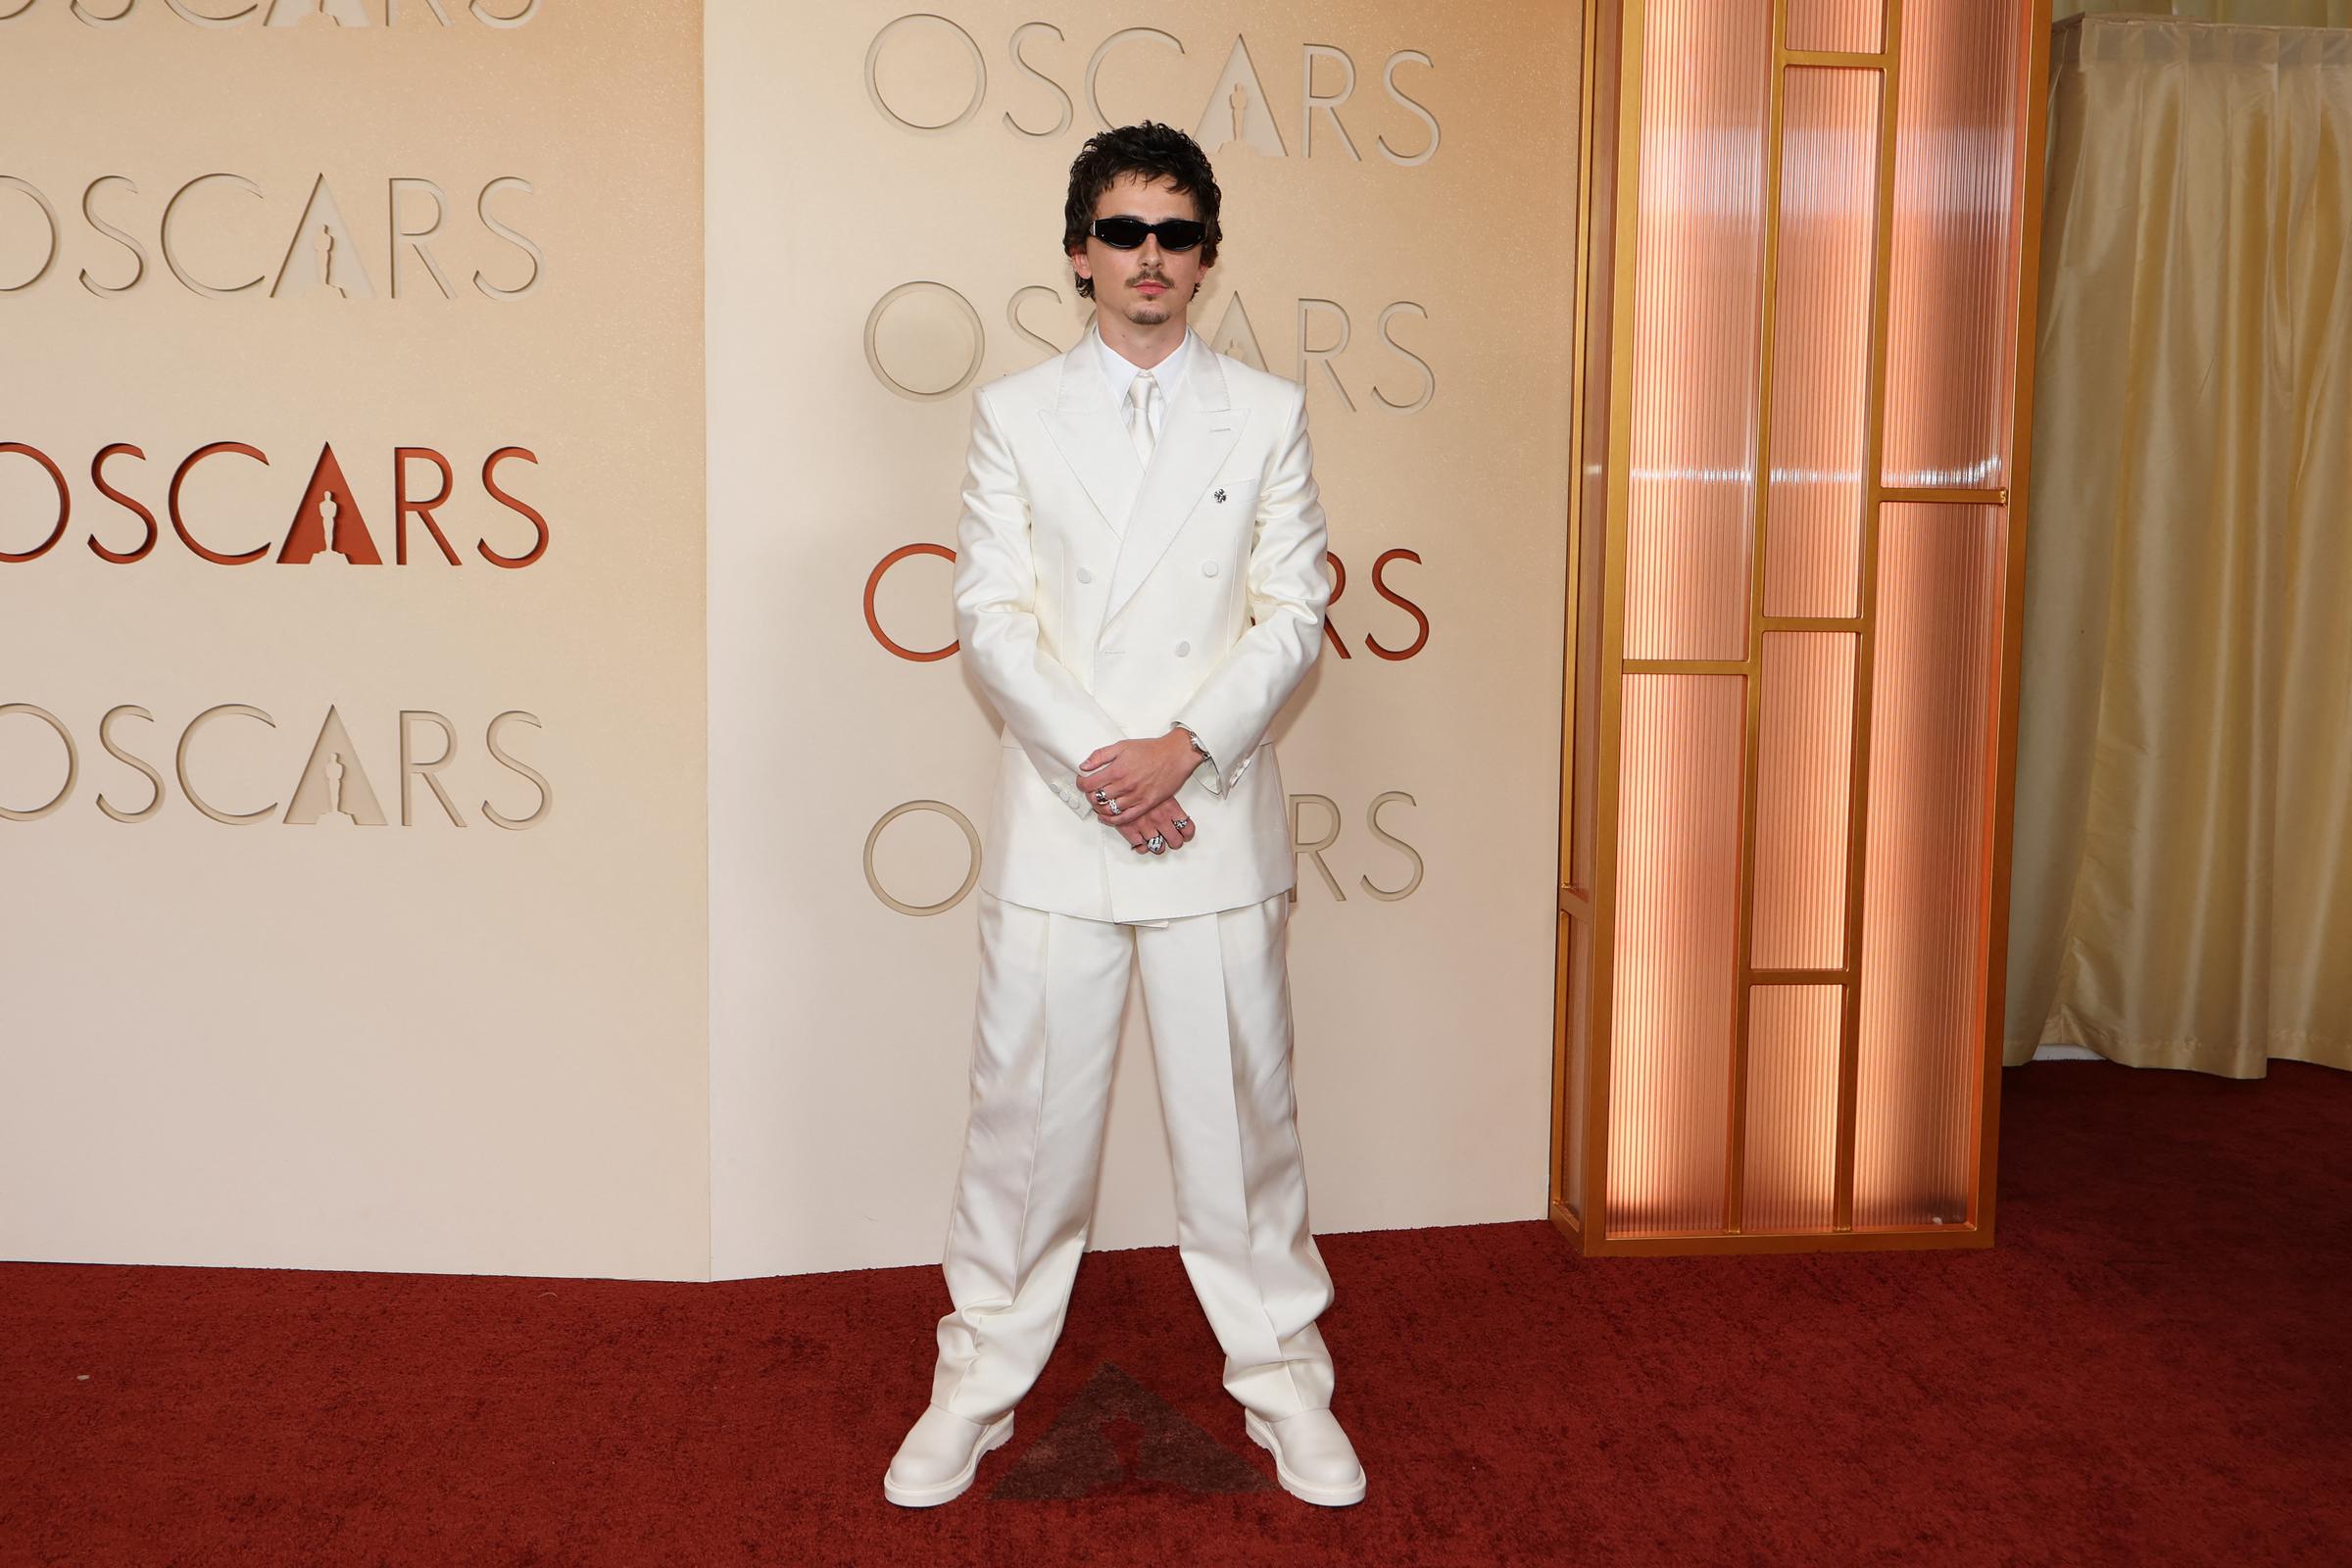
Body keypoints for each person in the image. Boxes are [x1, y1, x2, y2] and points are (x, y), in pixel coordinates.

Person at [884, 122, 1362, 1509]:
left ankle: (1286, 1387)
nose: (1148, 256)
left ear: (1205, 257)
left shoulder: (1264, 413)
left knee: (1243, 1135)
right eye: (1122, 231)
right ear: (1079, 253)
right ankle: (975, 1386)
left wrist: (1184, 753)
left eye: (1174, 233)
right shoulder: (1015, 414)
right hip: (1066, 820)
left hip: (1210, 817)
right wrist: (1110, 767)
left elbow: (1293, 612)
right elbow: (991, 618)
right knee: (1022, 1135)